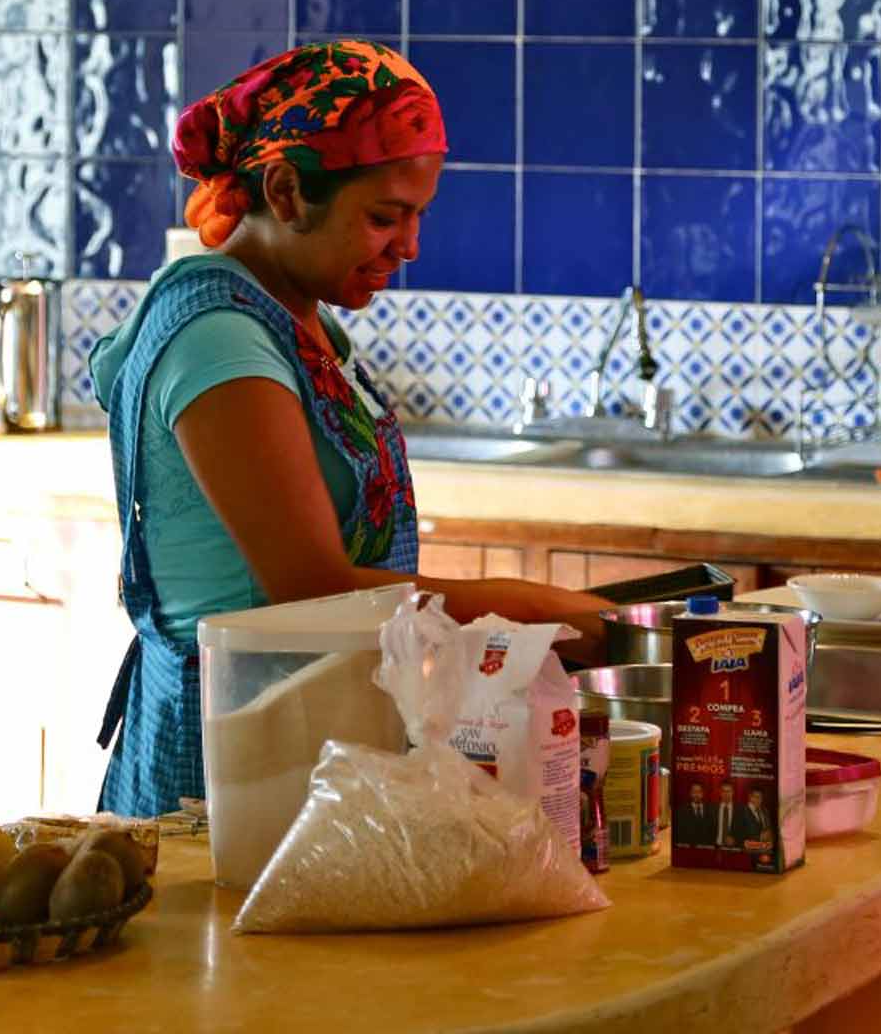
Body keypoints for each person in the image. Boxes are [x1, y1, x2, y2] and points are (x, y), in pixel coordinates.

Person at [93, 40, 609, 817]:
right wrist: (520, 609)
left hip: (311, 738)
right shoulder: (219, 340)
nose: (408, 247)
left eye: (417, 217)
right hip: (225, 768)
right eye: (383, 218)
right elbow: (312, 594)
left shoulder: (295, 321)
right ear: (286, 190)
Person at [678, 781, 716, 846]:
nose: (697, 795)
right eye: (694, 792)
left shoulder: (710, 810)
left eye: (699, 792)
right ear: (690, 793)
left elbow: (712, 831)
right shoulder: (682, 811)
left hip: (706, 847)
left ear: (703, 793)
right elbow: (680, 833)